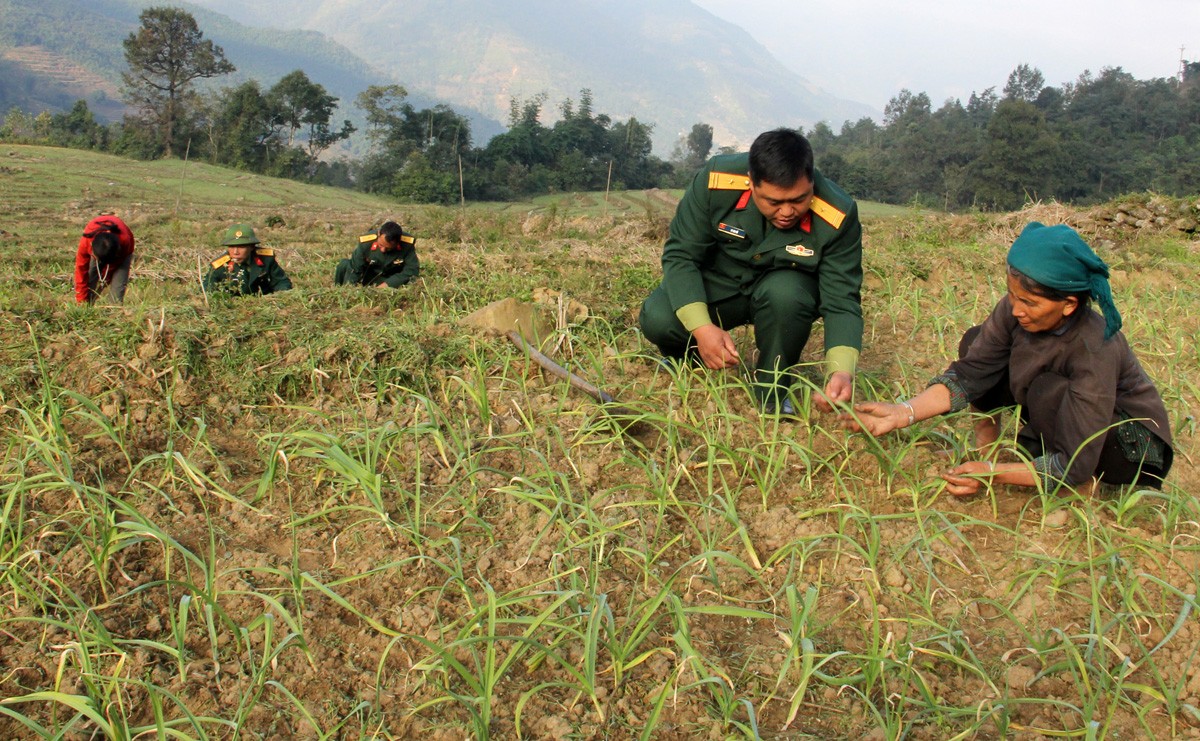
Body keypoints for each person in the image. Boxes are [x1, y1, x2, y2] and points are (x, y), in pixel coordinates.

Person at [842, 222, 1173, 496]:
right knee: (976, 341)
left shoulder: (1093, 347)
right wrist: (903, 412)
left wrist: (993, 475)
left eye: (1029, 302)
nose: (1016, 309)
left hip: (1127, 448)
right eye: (1013, 295)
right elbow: (971, 373)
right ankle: (991, 449)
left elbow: (1077, 457)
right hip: (1066, 420)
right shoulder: (1014, 311)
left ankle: (1093, 487)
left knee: (1047, 390)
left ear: (1069, 304)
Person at [638, 128, 863, 414]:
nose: (786, 212)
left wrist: (841, 371)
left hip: (783, 294)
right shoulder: (716, 182)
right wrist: (702, 328)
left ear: (811, 184)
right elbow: (681, 255)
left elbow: (842, 301)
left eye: (798, 200)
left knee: (787, 293)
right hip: (722, 284)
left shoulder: (838, 214)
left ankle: (773, 388)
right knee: (659, 317)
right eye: (774, 202)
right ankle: (691, 360)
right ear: (751, 184)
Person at [203, 223, 292, 296]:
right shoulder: (220, 266)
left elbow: (282, 283)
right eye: (231, 247)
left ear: (252, 247)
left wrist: (277, 297)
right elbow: (208, 288)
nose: (235, 252)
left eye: (241, 247)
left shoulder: (266, 259)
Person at [334, 220, 420, 288]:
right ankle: (338, 290)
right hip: (368, 275)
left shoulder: (407, 244)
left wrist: (388, 284)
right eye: (381, 245)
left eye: (388, 248)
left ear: (398, 242)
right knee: (344, 264)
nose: (383, 250)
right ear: (379, 234)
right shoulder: (366, 242)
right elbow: (356, 268)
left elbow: (411, 271)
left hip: (390, 278)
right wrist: (350, 290)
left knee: (411, 282)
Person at [75, 214, 135, 304]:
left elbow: (112, 269)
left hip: (122, 254)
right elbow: (81, 270)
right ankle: (86, 306)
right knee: (90, 276)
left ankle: (115, 311)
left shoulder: (124, 241)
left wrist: (107, 278)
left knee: (118, 288)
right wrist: (81, 300)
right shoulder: (87, 241)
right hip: (100, 250)